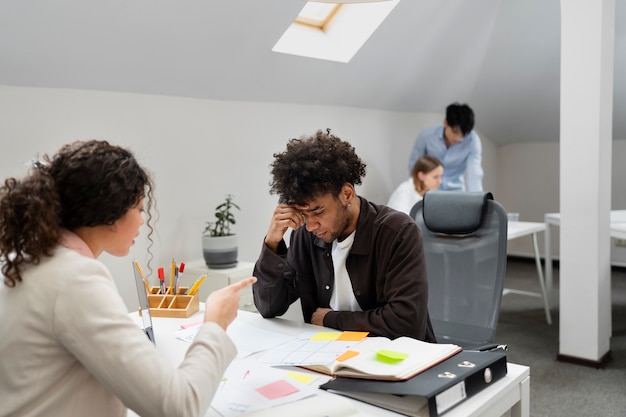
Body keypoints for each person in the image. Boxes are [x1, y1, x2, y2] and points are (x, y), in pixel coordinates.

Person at [0, 140, 256, 417]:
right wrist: (215, 325)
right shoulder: (75, 278)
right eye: (139, 209)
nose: (143, 221)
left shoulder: (22, 258)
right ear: (110, 211)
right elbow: (179, 406)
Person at [252, 129, 436, 342]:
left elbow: (406, 323)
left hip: (397, 362)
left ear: (347, 194)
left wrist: (332, 319)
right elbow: (268, 307)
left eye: (318, 212)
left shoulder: (398, 232)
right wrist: (272, 243)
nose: (310, 225)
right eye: (303, 214)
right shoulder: (304, 235)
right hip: (330, 356)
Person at [407, 102, 483, 191]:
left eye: (463, 135)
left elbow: (474, 173)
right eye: (455, 132)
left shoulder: (472, 141)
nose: (458, 138)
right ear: (445, 123)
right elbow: (414, 166)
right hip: (429, 189)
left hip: (456, 189)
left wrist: (477, 200)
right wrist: (419, 191)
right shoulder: (426, 136)